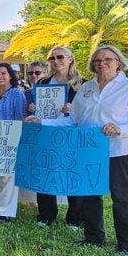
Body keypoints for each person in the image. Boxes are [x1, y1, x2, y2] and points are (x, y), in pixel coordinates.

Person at [29, 45, 128, 256]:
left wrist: (120, 129)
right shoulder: (87, 88)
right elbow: (73, 120)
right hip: (87, 151)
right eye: (97, 61)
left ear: (118, 62)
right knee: (89, 196)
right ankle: (94, 237)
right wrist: (43, 121)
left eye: (107, 59)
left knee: (122, 199)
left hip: (118, 152)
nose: (102, 64)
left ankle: (126, 245)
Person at [32, 48, 85, 229]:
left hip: (71, 136)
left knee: (72, 174)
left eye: (60, 57)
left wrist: (74, 109)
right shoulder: (43, 82)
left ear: (70, 59)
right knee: (46, 173)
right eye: (52, 58)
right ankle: (46, 215)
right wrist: (34, 107)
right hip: (46, 135)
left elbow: (90, 113)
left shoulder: (83, 84)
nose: (56, 60)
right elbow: (39, 108)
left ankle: (75, 218)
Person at [0, 63, 27, 223]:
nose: (0, 76)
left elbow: (20, 118)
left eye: (4, 73)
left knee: (7, 177)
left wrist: (15, 140)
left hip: (9, 140)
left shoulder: (16, 94)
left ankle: (5, 213)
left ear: (10, 76)